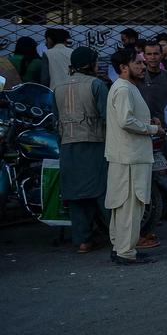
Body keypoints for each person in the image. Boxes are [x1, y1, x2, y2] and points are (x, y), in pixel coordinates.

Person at [105, 49, 161, 266]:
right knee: (130, 206)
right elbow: (126, 122)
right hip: (130, 157)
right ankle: (125, 252)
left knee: (122, 205)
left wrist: (150, 122)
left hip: (127, 155)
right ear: (124, 67)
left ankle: (120, 247)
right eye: (138, 63)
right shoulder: (124, 89)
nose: (143, 66)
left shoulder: (124, 88)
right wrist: (153, 129)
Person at [53, 47, 110, 254]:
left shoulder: (58, 87)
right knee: (103, 192)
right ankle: (119, 236)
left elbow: (55, 120)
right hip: (94, 145)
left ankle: (83, 241)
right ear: (91, 64)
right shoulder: (96, 85)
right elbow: (108, 117)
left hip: (68, 146)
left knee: (76, 195)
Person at [140, 40, 167, 233]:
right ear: (143, 56)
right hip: (144, 133)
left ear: (161, 55)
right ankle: (151, 212)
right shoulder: (138, 78)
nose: (152, 58)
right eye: (148, 54)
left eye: (155, 54)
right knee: (149, 174)